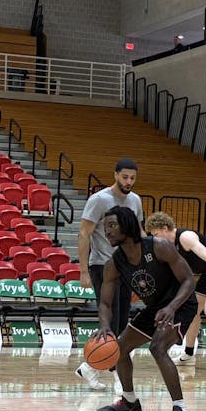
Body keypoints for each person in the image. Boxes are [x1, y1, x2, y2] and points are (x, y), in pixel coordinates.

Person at [95, 206, 198, 411]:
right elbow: (105, 303)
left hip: (180, 304)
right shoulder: (114, 263)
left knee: (158, 348)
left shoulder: (159, 246)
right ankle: (129, 402)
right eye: (105, 227)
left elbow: (189, 280)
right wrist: (104, 326)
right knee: (119, 348)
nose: (107, 231)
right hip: (155, 307)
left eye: (112, 226)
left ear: (127, 226)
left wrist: (171, 307)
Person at [75, 158, 145, 391]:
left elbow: (139, 234)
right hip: (102, 266)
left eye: (132, 178)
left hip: (126, 268)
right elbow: (84, 234)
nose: (129, 182)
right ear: (115, 175)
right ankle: (117, 374)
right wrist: (83, 271)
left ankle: (89, 368)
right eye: (125, 177)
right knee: (111, 321)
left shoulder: (135, 200)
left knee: (123, 322)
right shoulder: (99, 200)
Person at [144, 211, 206, 373]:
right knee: (193, 310)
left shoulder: (185, 237)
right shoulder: (170, 247)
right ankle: (188, 354)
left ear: (165, 228)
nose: (155, 238)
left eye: (156, 234)